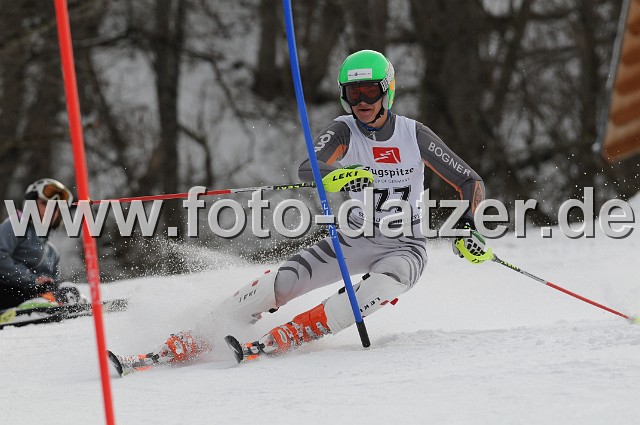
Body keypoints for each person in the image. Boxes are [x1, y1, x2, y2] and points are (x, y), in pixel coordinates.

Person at [108, 50, 488, 375]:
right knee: (285, 281)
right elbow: (309, 168)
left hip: (405, 246)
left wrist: (468, 226)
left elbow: (470, 181)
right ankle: (197, 336)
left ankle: (294, 332)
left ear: (387, 90)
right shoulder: (344, 131)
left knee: (383, 285)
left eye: (370, 91)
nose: (362, 101)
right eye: (353, 93)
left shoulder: (413, 134)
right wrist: (338, 175)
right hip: (354, 238)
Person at [0, 178, 79, 311]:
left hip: (30, 294)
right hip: (6, 291)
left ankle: (57, 304)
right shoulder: (14, 226)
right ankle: (37, 304)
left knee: (63, 290)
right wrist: (33, 280)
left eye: (56, 207)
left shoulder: (52, 253)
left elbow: (51, 282)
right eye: (45, 203)